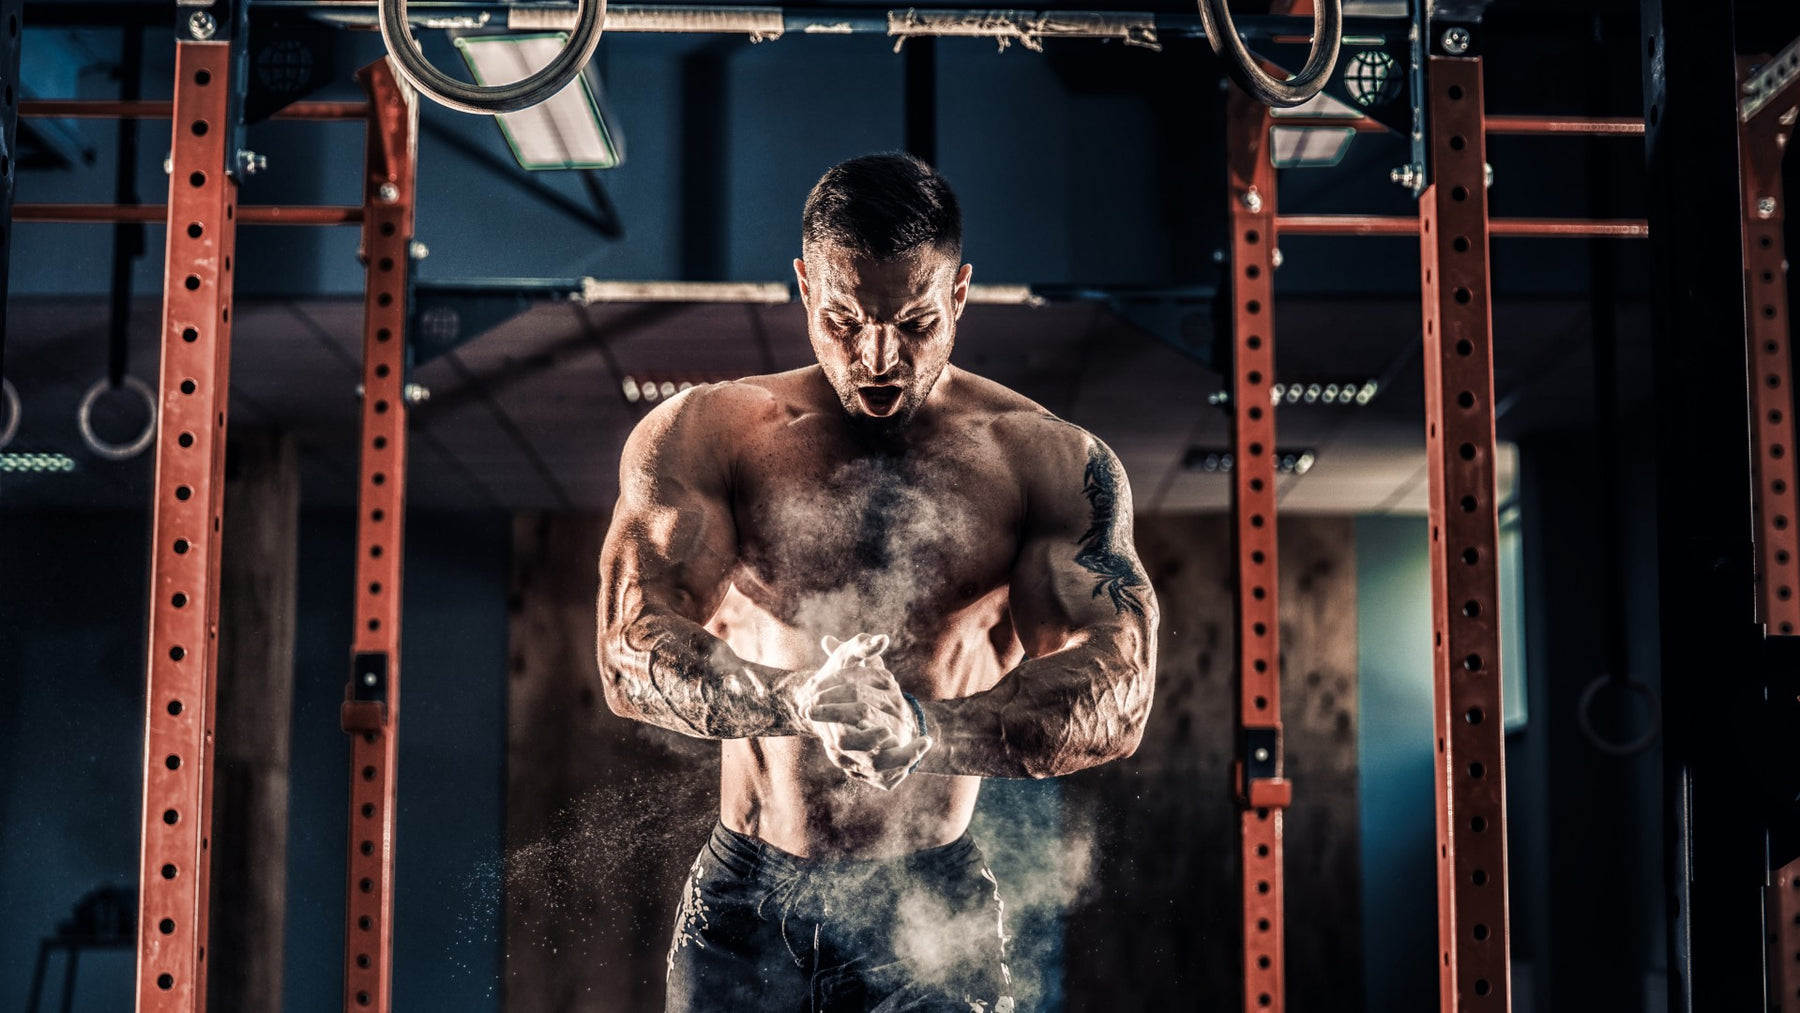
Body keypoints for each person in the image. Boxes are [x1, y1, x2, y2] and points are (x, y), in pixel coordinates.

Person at [595, 152, 1158, 1013]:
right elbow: (628, 650)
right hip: (747, 901)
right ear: (804, 286)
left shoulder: (1042, 460)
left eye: (916, 322)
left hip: (927, 902)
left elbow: (1121, 687)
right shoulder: (711, 434)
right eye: (844, 320)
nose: (879, 357)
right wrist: (795, 700)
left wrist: (927, 731)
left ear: (960, 293)